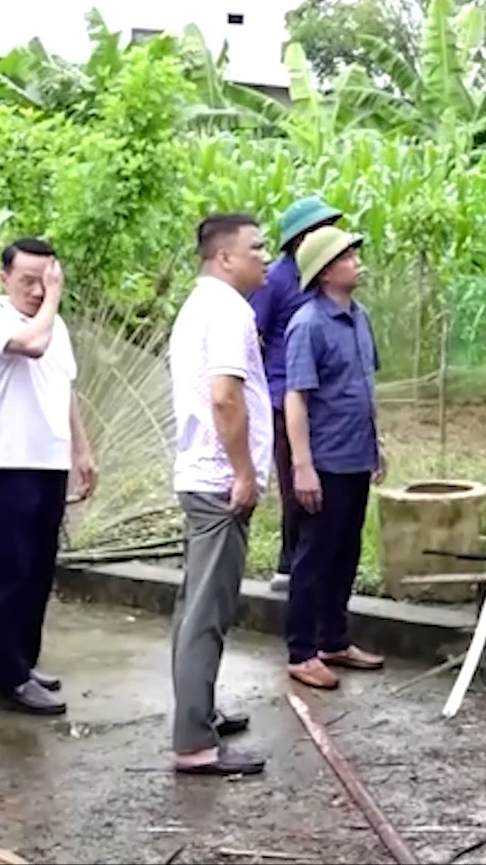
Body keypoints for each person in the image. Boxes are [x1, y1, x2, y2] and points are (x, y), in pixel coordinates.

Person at [0, 237, 95, 715]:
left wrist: (82, 449)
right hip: (8, 463)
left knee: (41, 570)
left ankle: (21, 661)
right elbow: (32, 346)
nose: (39, 292)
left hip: (51, 461)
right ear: (4, 278)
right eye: (29, 281)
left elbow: (64, 386)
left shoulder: (55, 324)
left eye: (46, 282)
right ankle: (9, 678)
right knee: (10, 572)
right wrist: (55, 299)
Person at [167, 213, 271, 776]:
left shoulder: (200, 305)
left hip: (201, 475)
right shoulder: (229, 309)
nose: (266, 257)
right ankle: (194, 744)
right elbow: (225, 397)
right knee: (208, 611)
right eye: (257, 248)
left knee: (194, 608)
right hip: (217, 480)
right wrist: (244, 471)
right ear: (224, 257)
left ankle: (197, 712)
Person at [281, 227, 387, 690]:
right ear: (324, 272)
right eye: (347, 257)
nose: (356, 262)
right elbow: (296, 398)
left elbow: (365, 386)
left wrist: (377, 443)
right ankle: (302, 651)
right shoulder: (307, 325)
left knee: (346, 552)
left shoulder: (359, 317)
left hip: (355, 454)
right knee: (314, 558)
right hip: (323, 461)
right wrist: (302, 465)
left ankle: (334, 639)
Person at [248, 195, 343, 593]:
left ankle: (315, 562)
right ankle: (289, 563)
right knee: (294, 481)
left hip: (322, 396)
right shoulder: (276, 281)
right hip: (283, 395)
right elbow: (252, 334)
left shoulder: (322, 280)